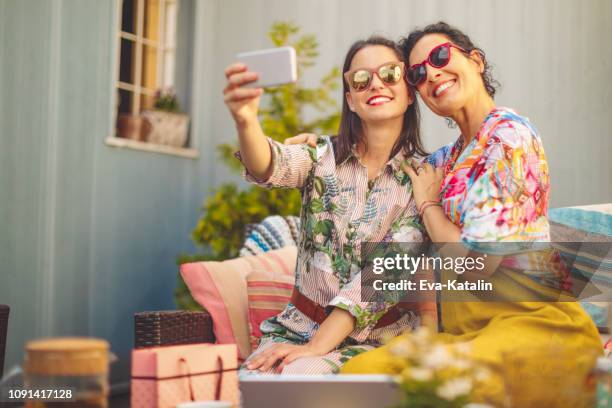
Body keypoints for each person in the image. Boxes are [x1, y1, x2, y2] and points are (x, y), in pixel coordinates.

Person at [334, 22, 602, 405]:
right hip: (468, 334)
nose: (432, 74)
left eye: (441, 56)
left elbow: (476, 267)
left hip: (537, 326)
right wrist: (321, 151)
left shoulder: (510, 138)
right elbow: (386, 166)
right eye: (418, 74)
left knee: (446, 383)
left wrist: (428, 206)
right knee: (358, 375)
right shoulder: (446, 158)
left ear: (475, 61)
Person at [223, 36, 435, 375]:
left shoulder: (422, 181)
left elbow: (380, 276)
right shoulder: (320, 157)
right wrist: (246, 120)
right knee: (251, 384)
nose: (376, 84)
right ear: (351, 99)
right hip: (295, 328)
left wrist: (316, 348)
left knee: (300, 377)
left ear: (410, 92)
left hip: (379, 342)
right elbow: (270, 164)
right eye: (361, 79)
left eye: (390, 74)